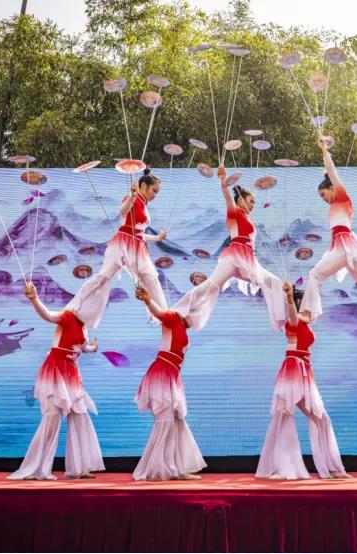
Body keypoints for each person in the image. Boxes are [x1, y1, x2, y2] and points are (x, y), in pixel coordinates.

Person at [8, 282, 105, 480]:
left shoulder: (83, 327)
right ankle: (35, 469)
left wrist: (93, 348)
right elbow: (48, 316)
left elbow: (81, 347)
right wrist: (34, 298)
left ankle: (79, 468)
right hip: (55, 373)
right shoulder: (68, 316)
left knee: (80, 416)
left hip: (72, 376)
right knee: (51, 419)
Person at [173, 166, 286, 332]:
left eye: (254, 202)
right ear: (240, 201)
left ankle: (281, 323)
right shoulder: (235, 212)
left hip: (249, 260)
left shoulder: (247, 218)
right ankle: (179, 313)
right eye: (251, 201)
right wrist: (223, 181)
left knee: (274, 282)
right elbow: (227, 197)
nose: (253, 205)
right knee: (211, 286)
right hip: (234, 257)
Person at [256, 282, 350, 480]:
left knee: (321, 418)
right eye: (308, 303)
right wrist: (290, 298)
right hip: (293, 371)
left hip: (304, 372)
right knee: (284, 418)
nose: (312, 307)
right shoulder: (294, 321)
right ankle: (281, 467)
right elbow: (292, 314)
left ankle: (331, 467)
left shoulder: (305, 324)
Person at [299, 136, 357, 322]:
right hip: (348, 247)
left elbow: (332, 172)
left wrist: (324, 151)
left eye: (323, 194)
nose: (323, 198)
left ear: (333, 188)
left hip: (344, 246)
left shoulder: (341, 196)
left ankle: (308, 312)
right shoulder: (335, 204)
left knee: (315, 275)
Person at [67, 168, 168, 328]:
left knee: (144, 278)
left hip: (132, 243)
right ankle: (164, 316)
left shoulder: (143, 203)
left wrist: (157, 238)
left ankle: (163, 316)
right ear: (143, 186)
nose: (155, 195)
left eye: (157, 192)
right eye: (154, 190)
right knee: (143, 278)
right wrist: (132, 196)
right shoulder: (133, 198)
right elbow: (122, 211)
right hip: (125, 244)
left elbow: (138, 233)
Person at [132, 286, 206, 481]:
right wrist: (148, 300)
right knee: (164, 421)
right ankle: (156, 469)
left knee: (176, 422)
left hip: (172, 376)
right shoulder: (173, 318)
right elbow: (159, 313)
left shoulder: (181, 326)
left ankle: (178, 468)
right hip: (162, 375)